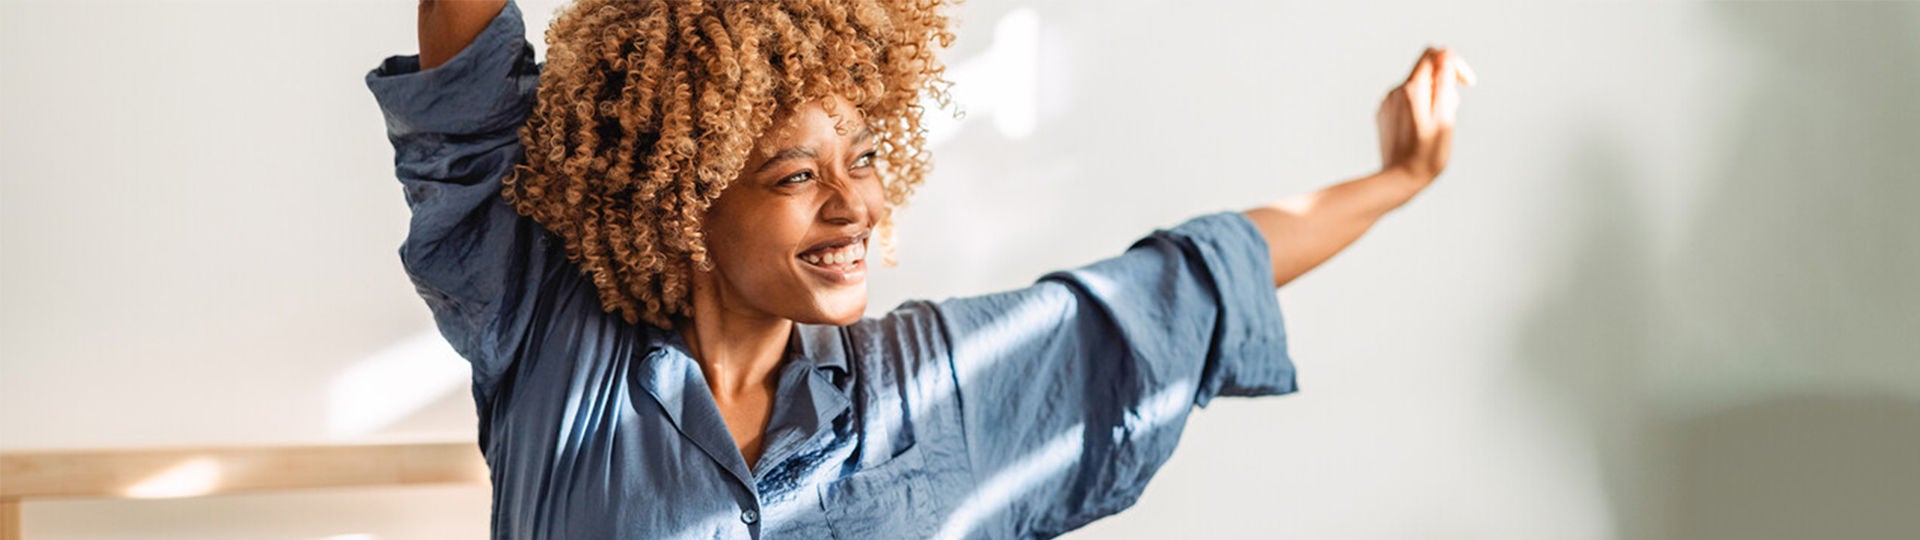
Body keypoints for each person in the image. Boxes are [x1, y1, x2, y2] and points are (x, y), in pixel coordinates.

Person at [366, 0, 1473, 538]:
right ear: (681, 199)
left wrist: (1395, 180)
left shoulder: (935, 390)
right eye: (798, 172)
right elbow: (469, 83)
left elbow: (1185, 281)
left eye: (868, 159)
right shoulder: (558, 342)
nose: (856, 205)